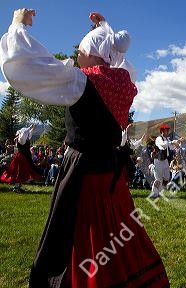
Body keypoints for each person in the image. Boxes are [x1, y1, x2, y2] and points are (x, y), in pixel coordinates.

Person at [0, 9, 169, 287]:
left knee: (80, 236)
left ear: (93, 55)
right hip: (110, 177)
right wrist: (103, 26)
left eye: (82, 49)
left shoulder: (82, 81)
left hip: (83, 173)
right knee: (115, 234)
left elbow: (27, 67)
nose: (78, 53)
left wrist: (18, 26)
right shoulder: (123, 81)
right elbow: (116, 56)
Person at [1, 124, 43, 192]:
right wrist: (29, 127)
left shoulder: (24, 138)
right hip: (21, 157)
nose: (27, 133)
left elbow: (29, 134)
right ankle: (17, 187)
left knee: (21, 172)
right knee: (19, 172)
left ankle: (17, 187)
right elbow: (25, 132)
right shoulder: (21, 139)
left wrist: (32, 128)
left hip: (24, 157)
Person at [150, 124, 177, 198]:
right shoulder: (159, 138)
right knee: (158, 179)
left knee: (167, 177)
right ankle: (154, 193)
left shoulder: (167, 139)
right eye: (166, 130)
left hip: (165, 160)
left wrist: (177, 142)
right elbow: (163, 145)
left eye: (168, 130)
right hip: (158, 160)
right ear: (162, 131)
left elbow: (171, 147)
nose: (168, 131)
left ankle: (160, 190)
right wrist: (171, 143)